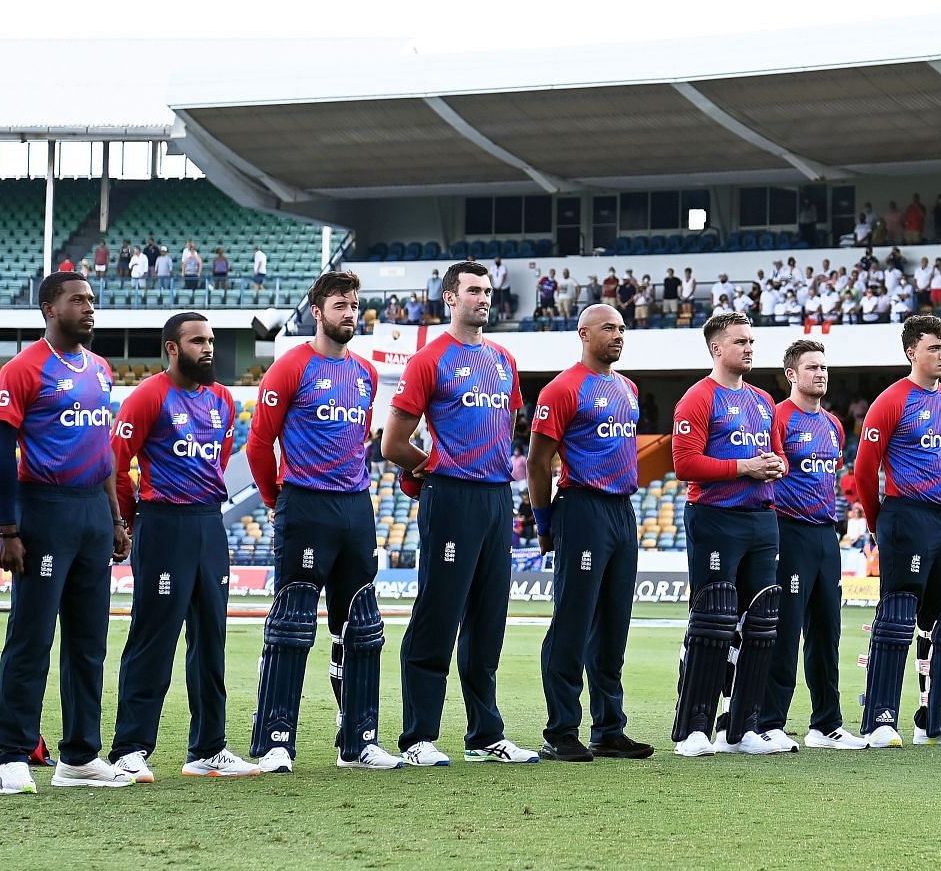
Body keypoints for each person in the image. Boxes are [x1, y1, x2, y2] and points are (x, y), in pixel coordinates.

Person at [245, 270, 400, 773]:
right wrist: (277, 500)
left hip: (355, 508)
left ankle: (359, 742)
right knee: (291, 624)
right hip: (304, 504)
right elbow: (258, 443)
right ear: (317, 311)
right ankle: (275, 743)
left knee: (363, 625)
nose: (349, 313)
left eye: (354, 304)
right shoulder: (290, 368)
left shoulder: (365, 373)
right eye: (339, 305)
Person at [384, 261, 536, 766]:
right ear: (449, 298)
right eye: (473, 290)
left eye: (487, 290)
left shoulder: (504, 360)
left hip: (497, 498)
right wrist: (434, 469)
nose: (483, 298)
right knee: (439, 612)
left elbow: (504, 428)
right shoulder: (429, 360)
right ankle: (418, 737)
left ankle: (484, 735)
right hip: (451, 496)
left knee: (489, 619)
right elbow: (392, 443)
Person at [0, 270, 133, 793]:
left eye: (92, 300)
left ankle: (79, 756)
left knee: (88, 640)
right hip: (42, 511)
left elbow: (104, 453)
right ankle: (13, 755)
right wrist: (8, 527)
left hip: (93, 515)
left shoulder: (100, 369)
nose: (90, 308)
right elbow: (2, 454)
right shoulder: (22, 369)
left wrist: (116, 518)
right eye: (78, 300)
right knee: (31, 637)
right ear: (50, 309)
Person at [109, 313, 257, 780]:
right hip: (163, 523)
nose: (208, 348)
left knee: (211, 638)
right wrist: (125, 522)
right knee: (153, 636)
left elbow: (219, 461)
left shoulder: (223, 400)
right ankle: (130, 748)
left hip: (209, 525)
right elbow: (115, 466)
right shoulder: (148, 396)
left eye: (211, 340)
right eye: (197, 341)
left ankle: (209, 748)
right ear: (172, 348)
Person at [528, 305, 653, 762]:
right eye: (609, 328)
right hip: (581, 509)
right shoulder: (563, 388)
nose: (619, 336)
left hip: (623, 511)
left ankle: (609, 728)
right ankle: (560, 730)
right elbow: (539, 463)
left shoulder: (628, 388)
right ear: (583, 333)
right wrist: (544, 524)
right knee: (573, 621)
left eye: (622, 329)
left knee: (614, 624)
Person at [668, 311, 787, 757]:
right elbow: (685, 465)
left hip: (761, 518)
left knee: (760, 623)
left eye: (752, 341)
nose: (749, 348)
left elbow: (777, 456)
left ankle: (743, 728)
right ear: (717, 348)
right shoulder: (698, 398)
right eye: (740, 342)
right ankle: (693, 729)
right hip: (715, 517)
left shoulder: (762, 401)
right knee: (712, 620)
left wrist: (775, 465)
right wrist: (744, 467)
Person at [853, 316, 941, 748]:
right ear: (911, 353)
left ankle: (938, 719)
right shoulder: (891, 401)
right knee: (898, 614)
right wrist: (877, 520)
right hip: (906, 516)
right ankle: (881, 718)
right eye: (933, 348)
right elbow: (865, 470)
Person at [760, 339, 867, 751]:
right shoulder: (777, 418)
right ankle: (770, 721)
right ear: (791, 374)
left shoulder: (834, 425)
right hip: (788, 532)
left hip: (826, 535)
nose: (820, 374)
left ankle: (827, 724)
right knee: (785, 631)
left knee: (827, 633)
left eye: (824, 367)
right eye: (811, 368)